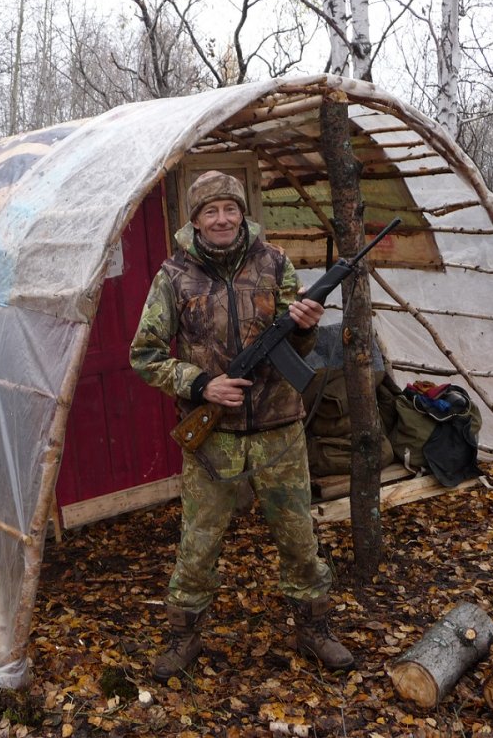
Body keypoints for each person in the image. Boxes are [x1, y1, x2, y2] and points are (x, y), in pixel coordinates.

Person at [129, 170, 354, 682]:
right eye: (212, 211)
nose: (223, 218)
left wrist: (307, 324)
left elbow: (300, 348)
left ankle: (314, 627)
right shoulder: (174, 276)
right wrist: (200, 385)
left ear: (242, 212)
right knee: (199, 543)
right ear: (196, 219)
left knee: (299, 539)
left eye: (230, 208)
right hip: (215, 440)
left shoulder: (276, 264)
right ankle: (184, 636)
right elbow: (143, 355)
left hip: (279, 431)